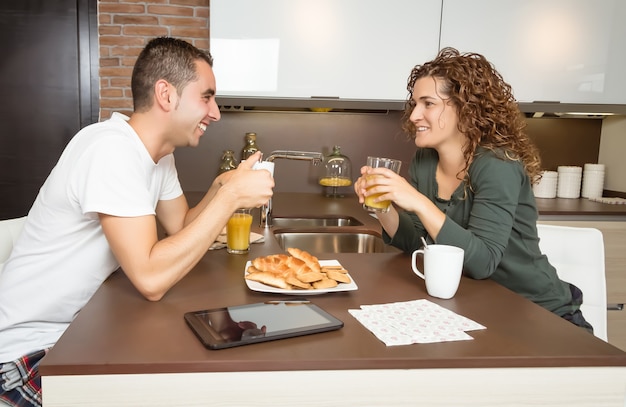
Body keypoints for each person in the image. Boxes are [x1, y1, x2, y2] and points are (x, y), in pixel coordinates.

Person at [0, 37, 274, 407]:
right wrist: (231, 198)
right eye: (206, 97)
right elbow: (150, 279)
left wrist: (222, 186)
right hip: (27, 354)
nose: (216, 112)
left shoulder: (158, 157)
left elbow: (181, 226)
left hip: (76, 335)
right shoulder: (111, 150)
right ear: (166, 94)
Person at [354, 47, 593, 334]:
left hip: (537, 314)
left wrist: (416, 200)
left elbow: (483, 261)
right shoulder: (426, 161)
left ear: (465, 108)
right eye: (415, 103)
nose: (415, 114)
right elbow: (418, 242)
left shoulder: (497, 164)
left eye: (428, 103)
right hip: (478, 307)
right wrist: (385, 208)